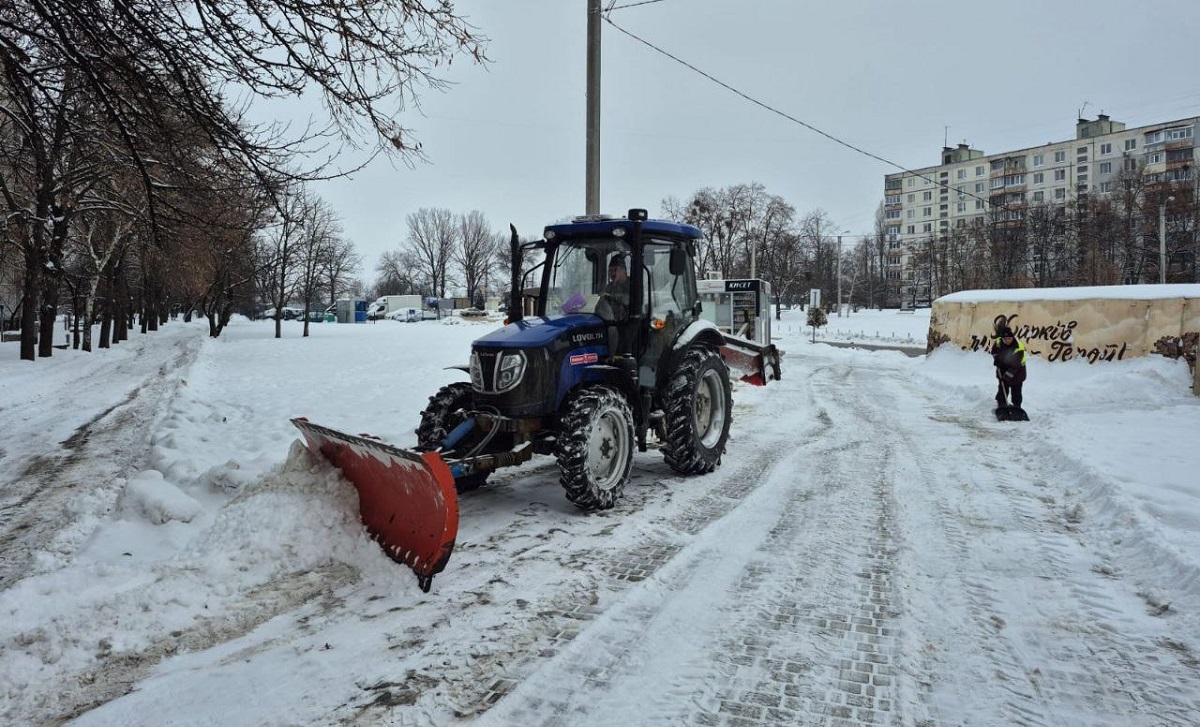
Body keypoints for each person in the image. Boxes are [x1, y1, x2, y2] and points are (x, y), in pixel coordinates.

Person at [992, 325, 1027, 408]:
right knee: (1002, 389)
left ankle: (1017, 407)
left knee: (1016, 392)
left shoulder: (1018, 348)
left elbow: (1015, 366)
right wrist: (996, 359)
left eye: (1009, 338)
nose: (1007, 340)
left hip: (1018, 372)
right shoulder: (998, 342)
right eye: (1005, 339)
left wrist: (1005, 377)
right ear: (1002, 338)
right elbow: (994, 351)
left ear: (1012, 337)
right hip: (1003, 369)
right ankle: (1001, 405)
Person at [599, 254, 630, 319]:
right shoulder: (610, 286)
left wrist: (609, 296)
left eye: (615, 270)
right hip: (611, 320)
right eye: (610, 270)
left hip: (627, 321)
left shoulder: (632, 284)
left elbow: (627, 300)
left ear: (623, 270)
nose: (612, 273)